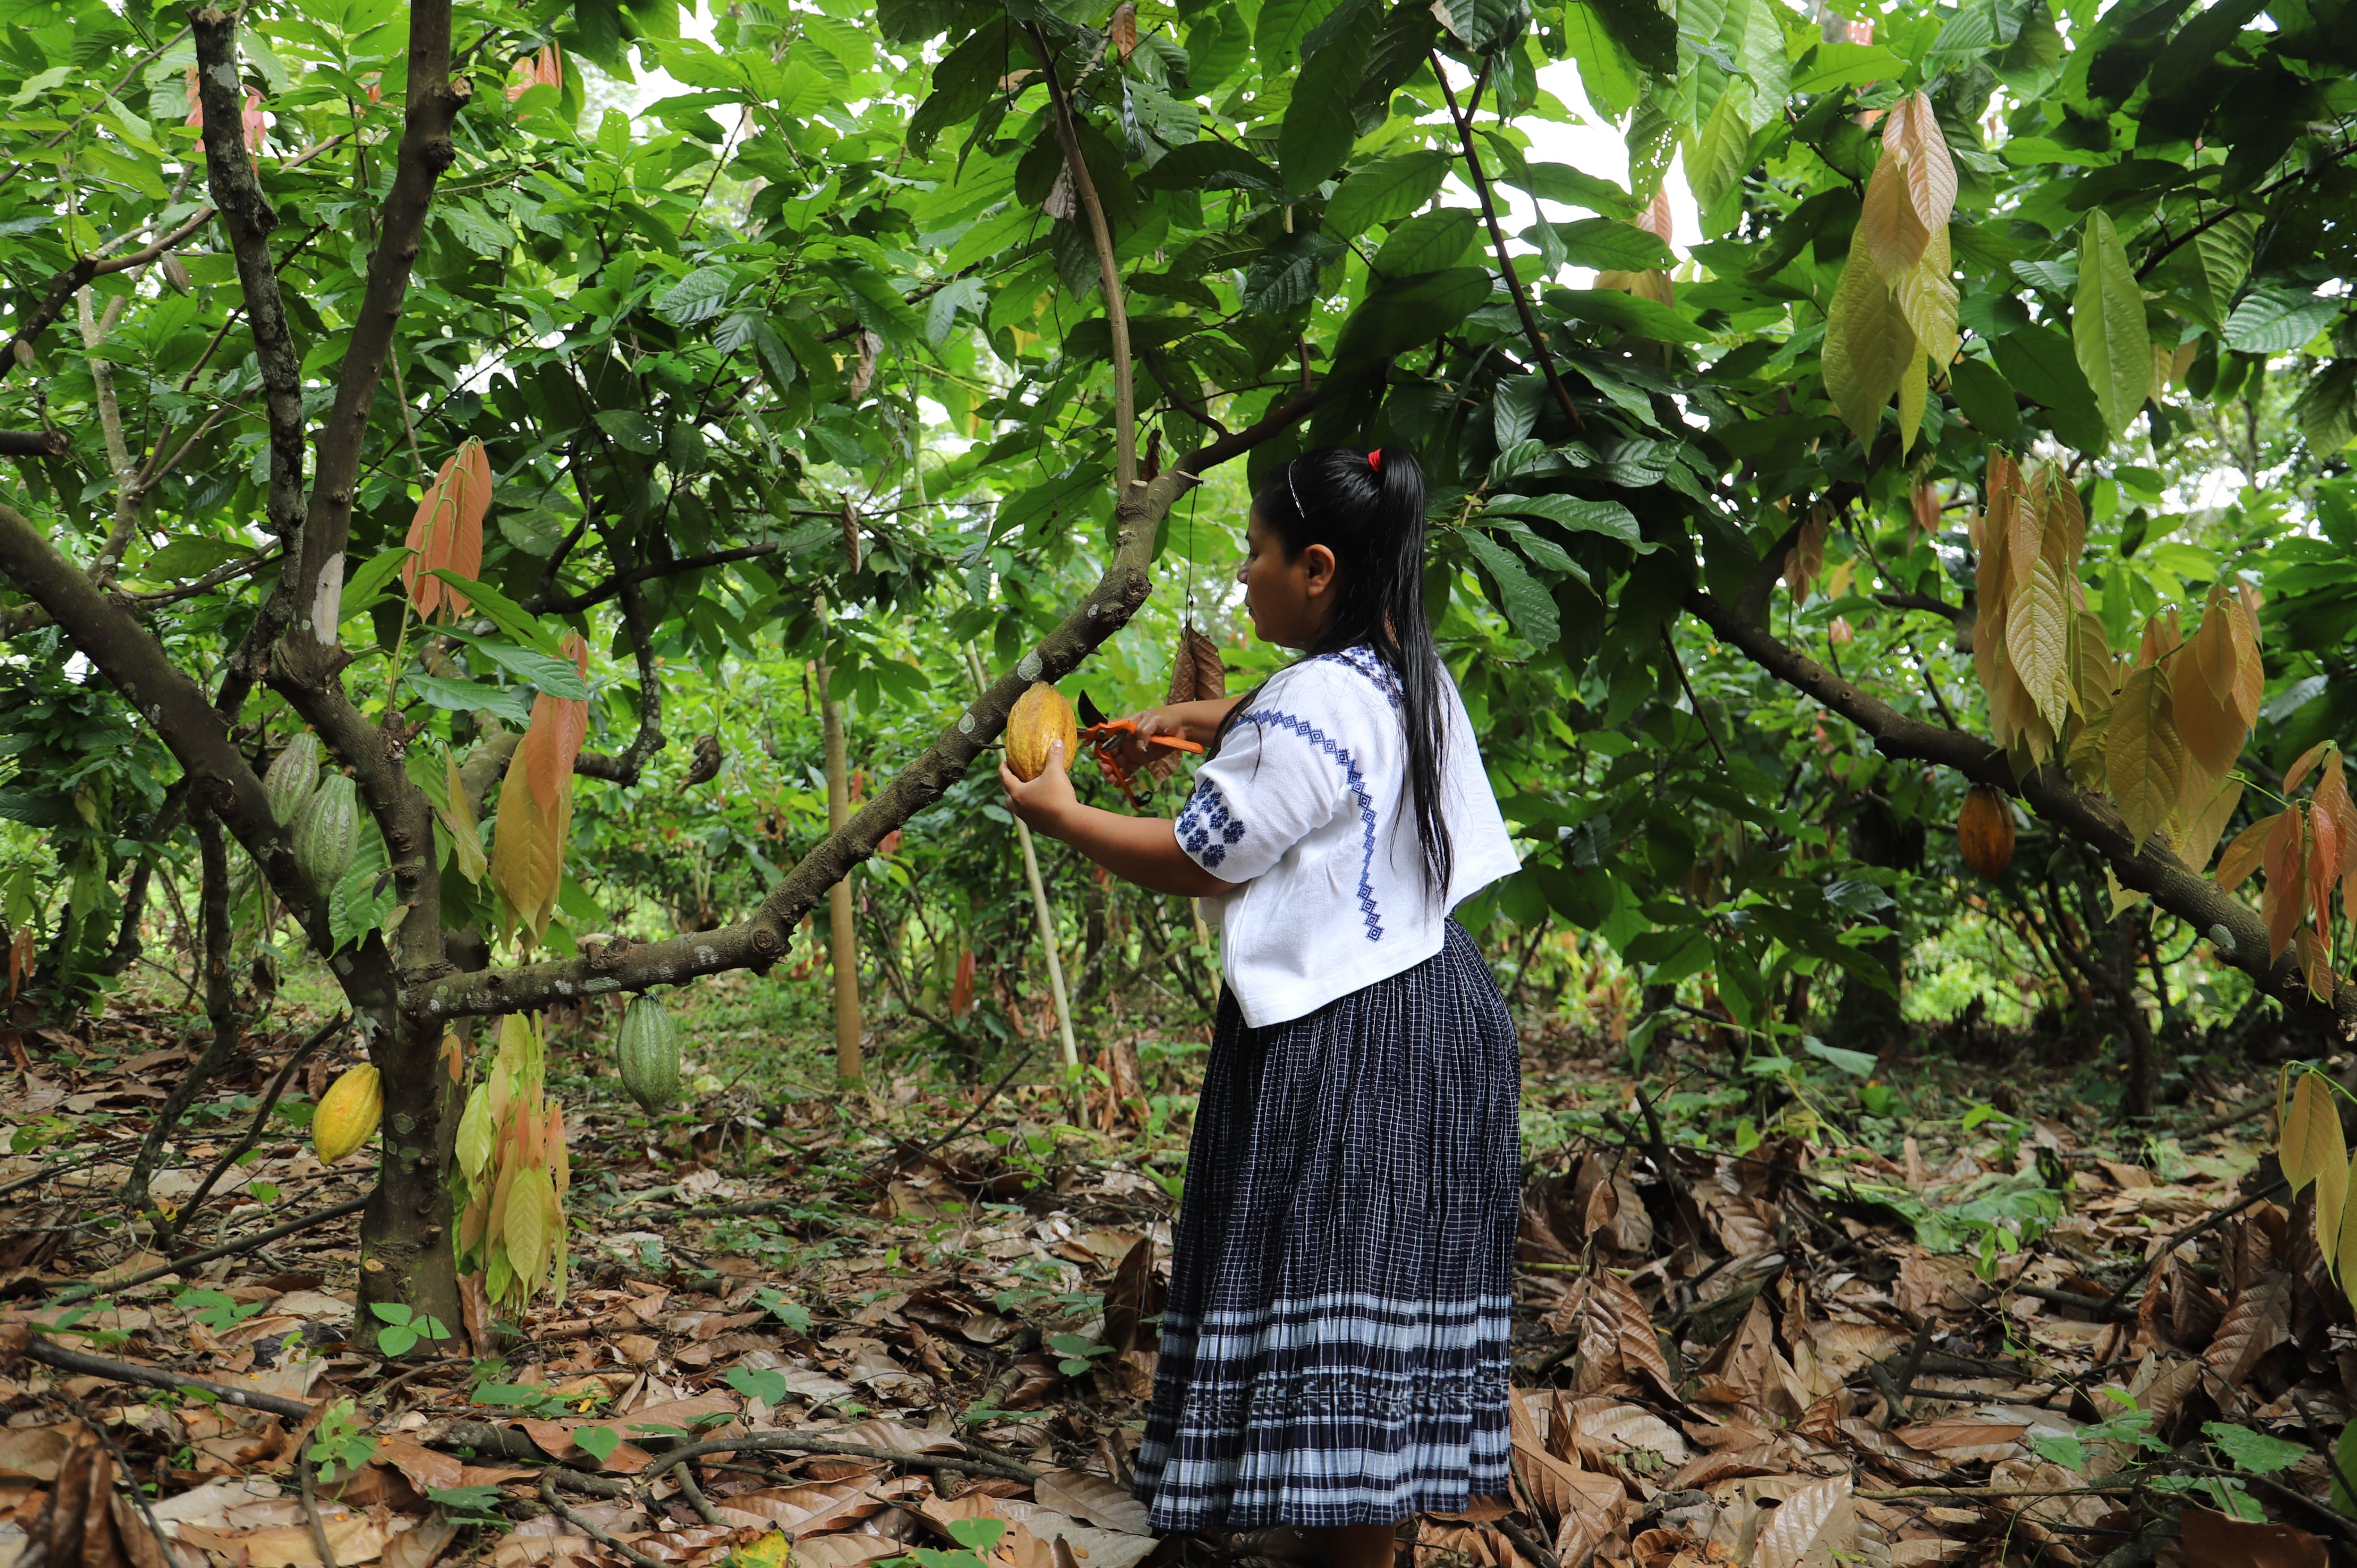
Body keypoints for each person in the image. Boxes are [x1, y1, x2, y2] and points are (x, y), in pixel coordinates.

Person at [998, 445, 1524, 1567]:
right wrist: (1181, 717)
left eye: (1256, 553)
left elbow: (1206, 858)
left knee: (1330, 1273)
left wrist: (1060, 816)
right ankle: (1355, 1538)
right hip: (1442, 1008)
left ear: (1319, 569)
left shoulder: (1302, 704)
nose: (1242, 576)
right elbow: (1269, 717)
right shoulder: (1404, 668)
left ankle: (1344, 1550)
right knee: (1388, 1293)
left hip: (1350, 1035)